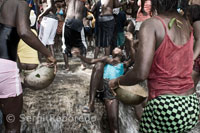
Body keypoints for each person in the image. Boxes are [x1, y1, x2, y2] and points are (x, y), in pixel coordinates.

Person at [109, 0, 200, 132]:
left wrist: (116, 82)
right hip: (191, 105)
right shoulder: (185, 23)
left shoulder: (151, 24)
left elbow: (140, 73)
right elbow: (171, 50)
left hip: (166, 108)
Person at [0, 0, 56, 132]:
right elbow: (24, 32)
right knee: (12, 126)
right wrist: (49, 54)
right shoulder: (19, 4)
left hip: (8, 63)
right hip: (4, 65)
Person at [72, 32, 135, 133]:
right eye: (115, 48)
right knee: (99, 64)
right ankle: (91, 103)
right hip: (101, 85)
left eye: (119, 48)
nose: (117, 48)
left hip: (113, 91)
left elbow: (133, 59)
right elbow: (91, 61)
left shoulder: (124, 64)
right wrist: (80, 56)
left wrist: (130, 42)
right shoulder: (106, 59)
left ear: (122, 54)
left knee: (114, 123)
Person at [62, 0, 88, 70]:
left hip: (69, 20)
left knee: (65, 45)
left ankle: (67, 66)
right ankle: (83, 64)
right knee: (82, 43)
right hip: (77, 21)